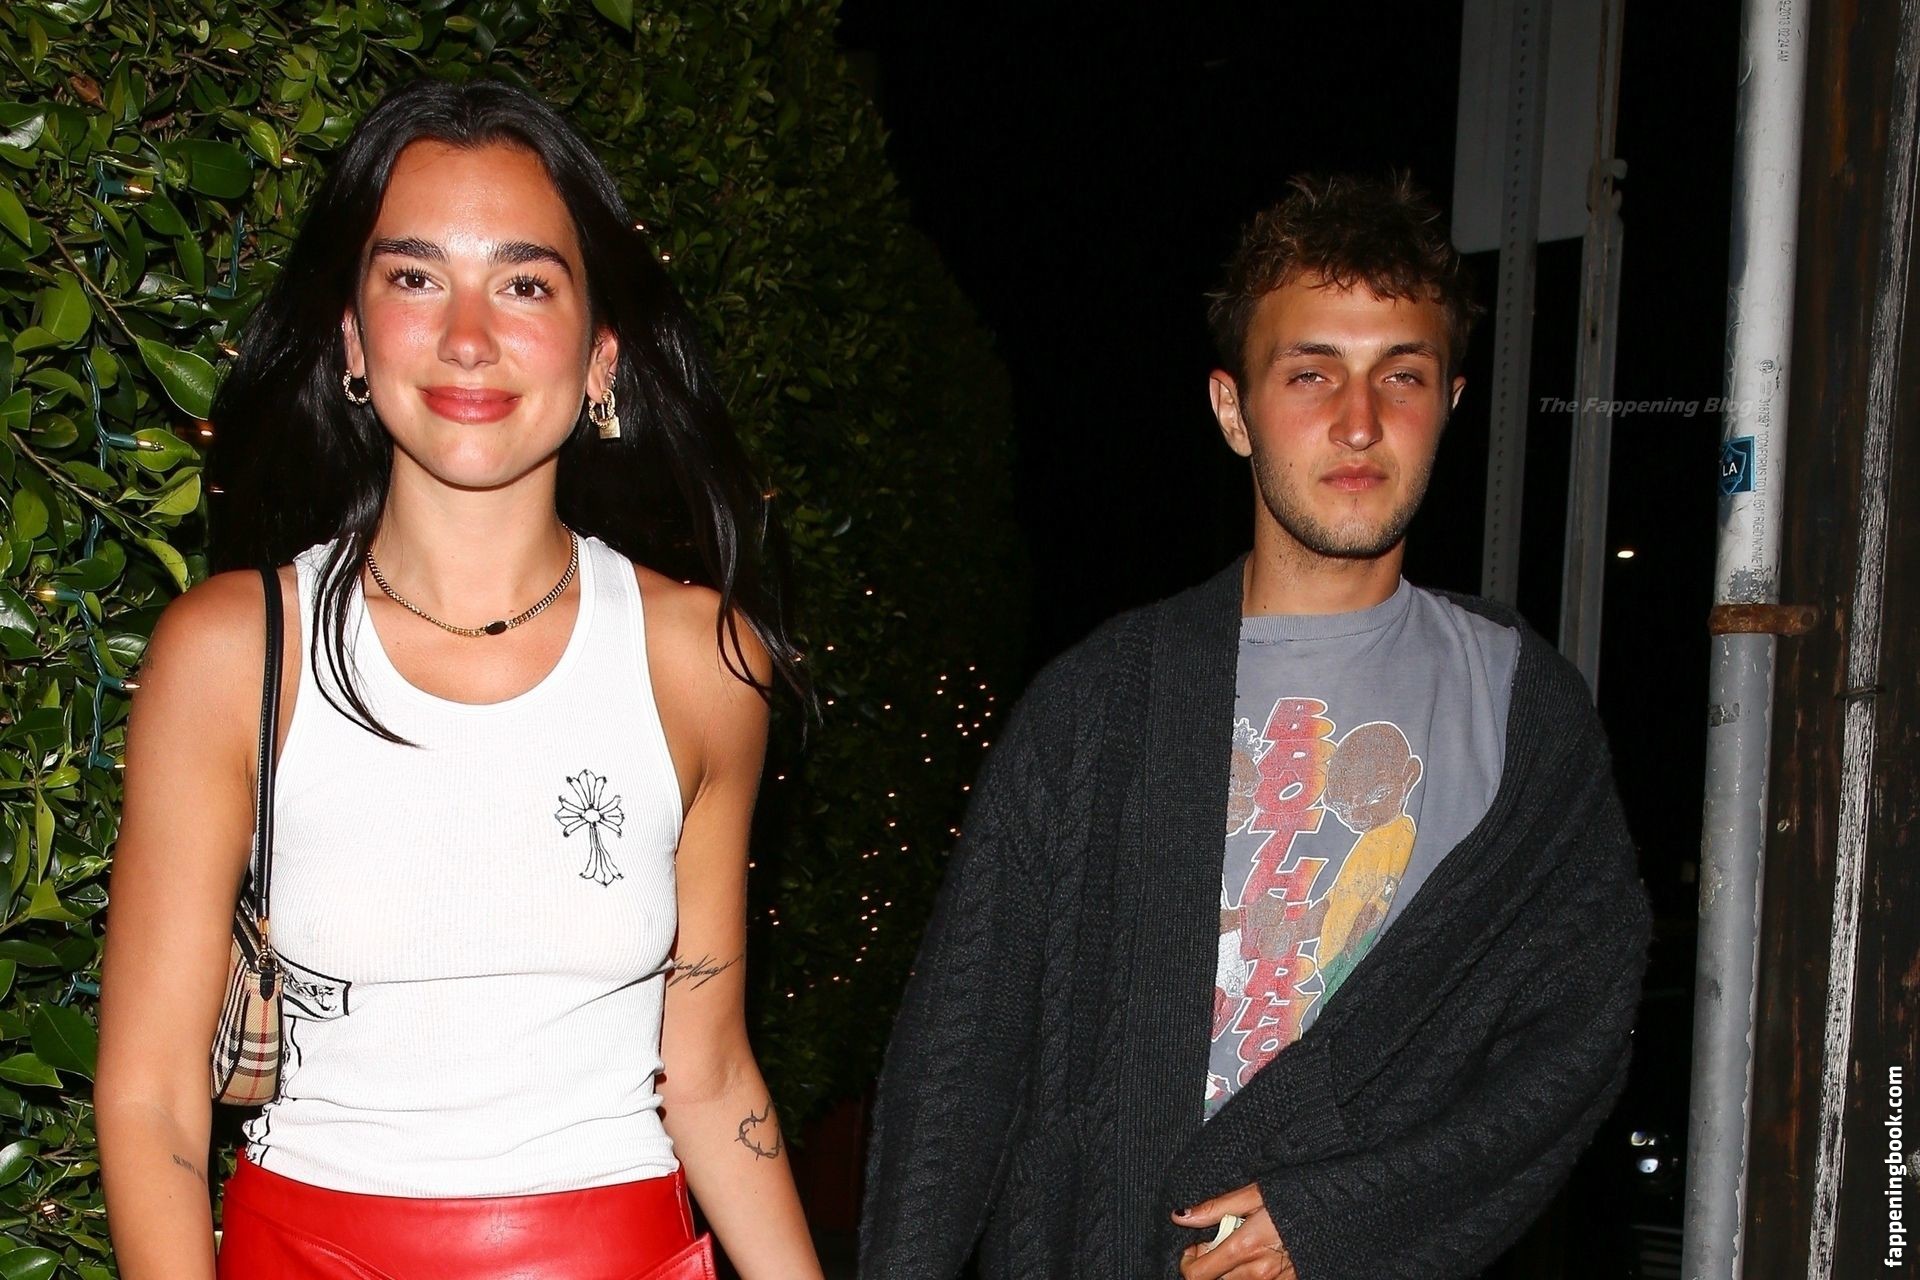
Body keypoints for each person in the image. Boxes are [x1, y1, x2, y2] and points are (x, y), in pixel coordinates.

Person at [95, 79, 826, 1280]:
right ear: (352, 338)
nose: (469, 337)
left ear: (601, 355)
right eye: (416, 277)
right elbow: (152, 1097)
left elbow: (706, 1070)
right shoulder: (232, 653)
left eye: (525, 284)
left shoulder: (702, 661)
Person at [859, 173, 1652, 1280]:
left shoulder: (1523, 708)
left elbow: (1574, 1042)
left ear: (1452, 403)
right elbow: (959, 1060)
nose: (1359, 421)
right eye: (1311, 372)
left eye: (1403, 375)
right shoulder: (1100, 705)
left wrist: (1348, 1212)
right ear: (1233, 410)